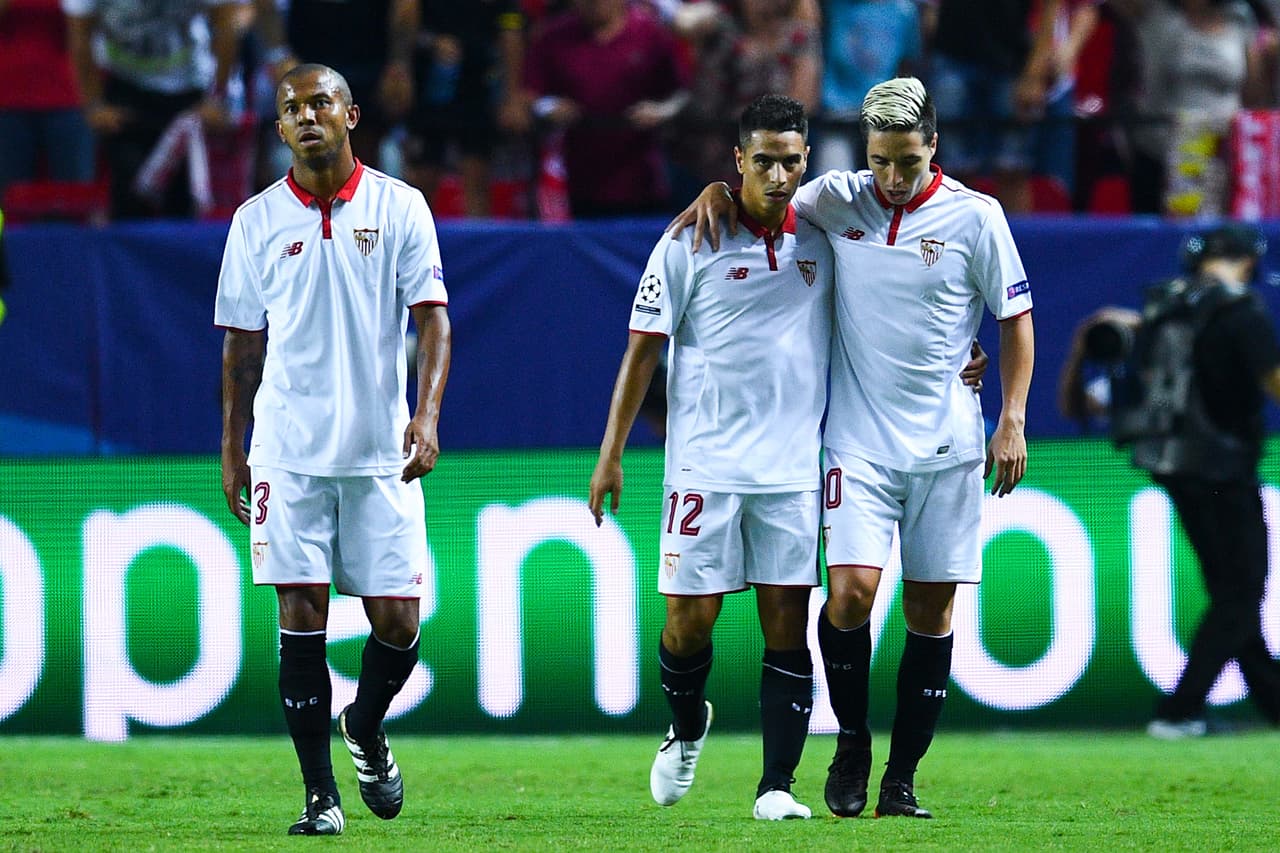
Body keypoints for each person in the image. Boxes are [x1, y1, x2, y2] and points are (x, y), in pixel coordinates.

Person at [670, 75, 1035, 819]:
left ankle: (901, 780)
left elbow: (1015, 319)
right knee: (849, 595)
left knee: (931, 611)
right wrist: (718, 189)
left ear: (934, 146)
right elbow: (764, 194)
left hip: (949, 444)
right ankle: (853, 739)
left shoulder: (977, 218)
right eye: (879, 161)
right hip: (858, 443)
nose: (892, 178)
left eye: (907, 161)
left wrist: (1013, 418)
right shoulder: (836, 199)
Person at [215, 63, 451, 836]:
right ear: (280, 127)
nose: (308, 115)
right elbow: (241, 346)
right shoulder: (255, 220)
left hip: (380, 451)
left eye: (321, 102)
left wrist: (427, 415)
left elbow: (433, 319)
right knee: (300, 612)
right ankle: (320, 796)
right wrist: (234, 445)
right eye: (293, 108)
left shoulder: (400, 205)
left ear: (350, 114)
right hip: (287, 452)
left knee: (398, 623)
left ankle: (366, 723)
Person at [589, 93, 832, 821]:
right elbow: (642, 351)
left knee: (787, 622)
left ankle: (777, 784)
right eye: (763, 162)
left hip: (791, 468)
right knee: (688, 621)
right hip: (704, 464)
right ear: (738, 161)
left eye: (790, 161)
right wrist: (610, 453)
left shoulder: (827, 238)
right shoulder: (690, 240)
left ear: (806, 161)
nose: (778, 176)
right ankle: (688, 722)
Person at [1062, 223, 1280, 738]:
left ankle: (1273, 704)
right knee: (1241, 593)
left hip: (1174, 470)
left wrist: (1079, 346)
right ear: (1248, 262)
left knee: (1231, 594)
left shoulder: (1160, 315)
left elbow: (1084, 404)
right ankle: (1178, 711)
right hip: (1226, 469)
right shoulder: (1242, 313)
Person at [62, 0, 242, 219]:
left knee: (185, 197)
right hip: (125, 89)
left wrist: (218, 98)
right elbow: (80, 36)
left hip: (189, 89)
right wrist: (94, 105)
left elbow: (226, 25)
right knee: (128, 195)